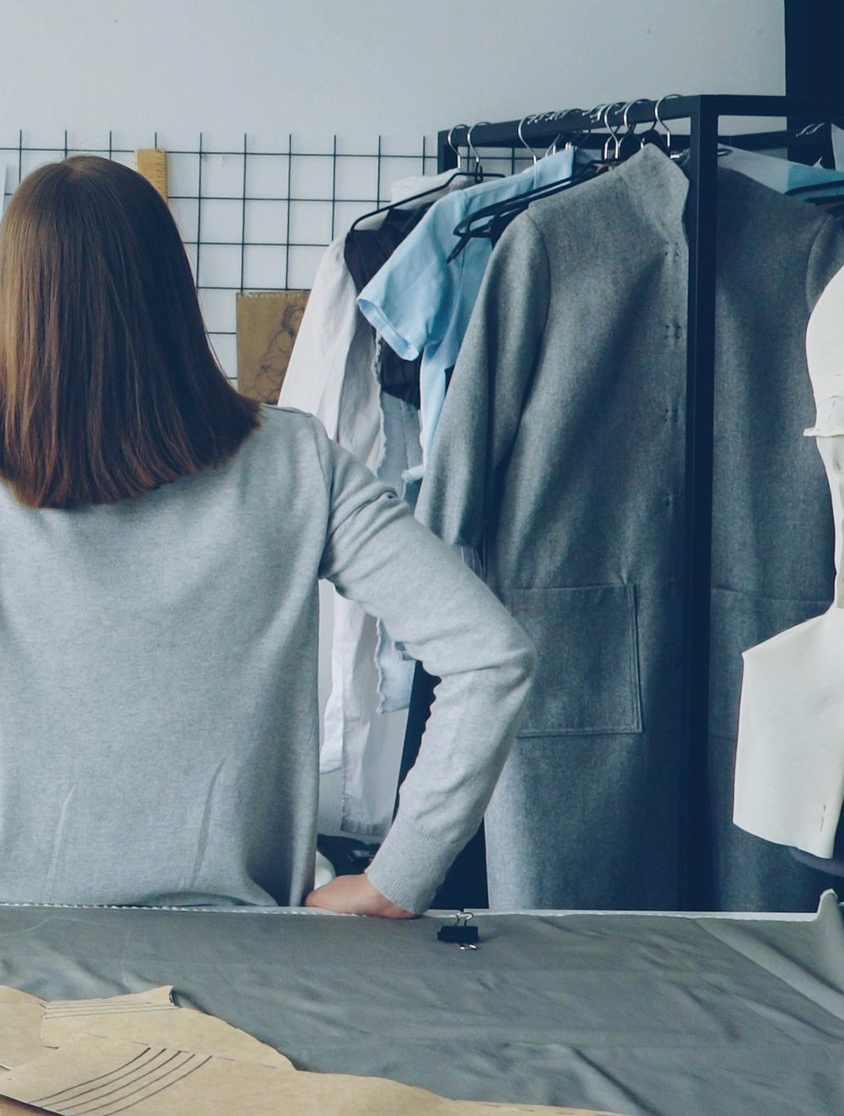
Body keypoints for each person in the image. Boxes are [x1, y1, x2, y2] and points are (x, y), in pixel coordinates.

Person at [0, 156, 534, 916]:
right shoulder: (294, 461)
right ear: (171, 293)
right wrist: (397, 880)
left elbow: (492, 659)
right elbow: (491, 654)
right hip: (245, 954)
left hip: (18, 954)